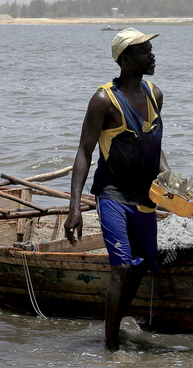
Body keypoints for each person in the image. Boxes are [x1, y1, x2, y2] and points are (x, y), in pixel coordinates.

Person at [64, 28, 169, 351]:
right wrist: (74, 207)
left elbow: (155, 145)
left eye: (151, 50)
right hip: (113, 195)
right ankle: (111, 347)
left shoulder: (155, 94)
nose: (152, 56)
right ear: (125, 59)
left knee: (141, 265)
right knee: (121, 265)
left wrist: (171, 181)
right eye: (145, 51)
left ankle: (115, 324)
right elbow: (84, 152)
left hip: (145, 197)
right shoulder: (103, 100)